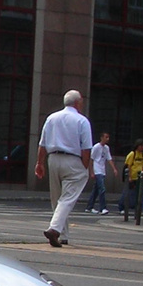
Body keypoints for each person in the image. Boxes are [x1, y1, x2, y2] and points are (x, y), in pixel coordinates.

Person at [33, 89, 92, 248]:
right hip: (73, 160)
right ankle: (54, 229)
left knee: (57, 198)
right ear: (78, 103)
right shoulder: (82, 121)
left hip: (53, 159)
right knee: (67, 198)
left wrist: (39, 163)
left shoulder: (51, 118)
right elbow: (86, 148)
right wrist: (85, 166)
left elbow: (42, 144)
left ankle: (63, 234)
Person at [119, 138, 143, 219]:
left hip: (139, 177)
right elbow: (128, 165)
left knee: (141, 193)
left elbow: (142, 165)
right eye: (141, 146)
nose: (142, 148)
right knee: (127, 193)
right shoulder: (132, 154)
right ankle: (121, 206)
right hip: (132, 176)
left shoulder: (142, 155)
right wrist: (129, 177)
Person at [86, 132, 112, 213]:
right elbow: (91, 159)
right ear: (101, 138)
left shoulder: (106, 148)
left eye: (108, 137)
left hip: (102, 170)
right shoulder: (96, 147)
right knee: (102, 189)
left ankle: (89, 207)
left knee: (96, 190)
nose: (107, 139)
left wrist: (114, 168)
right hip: (97, 170)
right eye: (106, 137)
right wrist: (91, 172)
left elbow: (109, 158)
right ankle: (103, 208)